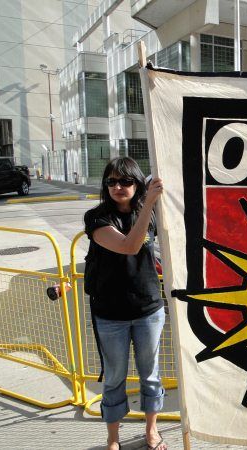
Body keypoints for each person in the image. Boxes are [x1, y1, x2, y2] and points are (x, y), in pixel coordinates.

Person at [84, 156, 168, 450]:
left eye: (126, 181)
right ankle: (113, 439)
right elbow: (129, 246)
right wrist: (148, 204)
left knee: (151, 375)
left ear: (136, 183)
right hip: (110, 314)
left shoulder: (151, 213)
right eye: (111, 181)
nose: (118, 186)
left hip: (148, 310)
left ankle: (152, 431)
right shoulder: (96, 218)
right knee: (114, 378)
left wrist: (151, 201)